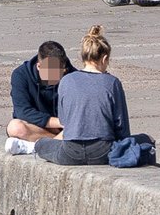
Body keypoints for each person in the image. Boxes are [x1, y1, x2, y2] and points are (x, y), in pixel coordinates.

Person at [23, 27, 129, 165]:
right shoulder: (113, 82)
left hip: (70, 153)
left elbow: (64, 120)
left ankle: (31, 148)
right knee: (145, 139)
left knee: (43, 144)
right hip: (103, 152)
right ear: (104, 58)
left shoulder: (66, 80)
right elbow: (122, 127)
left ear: (82, 57)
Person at [6, 40, 70, 150]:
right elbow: (23, 112)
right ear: (39, 66)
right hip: (38, 127)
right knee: (15, 127)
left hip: (64, 129)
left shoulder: (72, 76)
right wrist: (58, 122)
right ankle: (56, 144)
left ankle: (36, 147)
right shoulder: (21, 75)